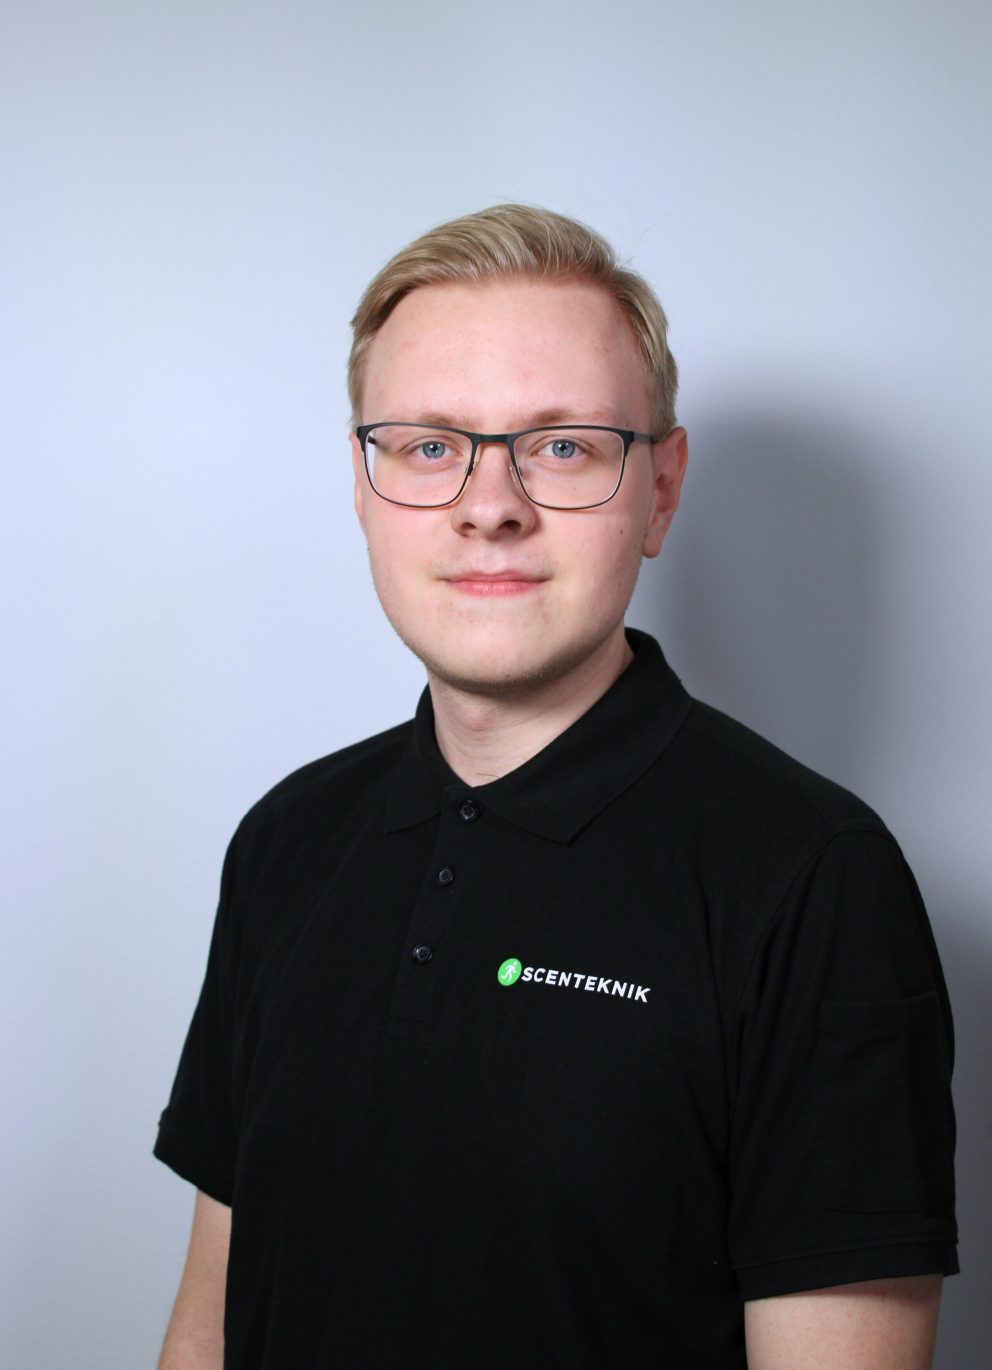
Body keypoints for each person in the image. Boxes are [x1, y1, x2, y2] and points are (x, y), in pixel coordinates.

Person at [154, 204, 958, 1369]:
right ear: (364, 487)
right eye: (429, 445)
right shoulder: (287, 839)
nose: (489, 504)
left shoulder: (810, 878)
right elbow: (208, 1329)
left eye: (563, 446)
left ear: (660, 490)